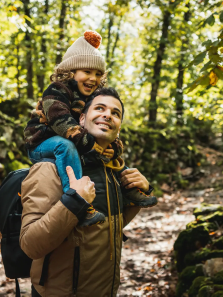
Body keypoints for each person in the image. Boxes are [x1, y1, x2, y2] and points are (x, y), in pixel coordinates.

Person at [20, 87, 156, 296]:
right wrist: (74, 201)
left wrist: (139, 194)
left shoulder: (111, 169)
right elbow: (31, 245)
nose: (107, 115)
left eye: (115, 113)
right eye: (99, 108)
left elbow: (106, 228)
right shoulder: (50, 169)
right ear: (81, 119)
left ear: (119, 127)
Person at [23, 30, 155, 227]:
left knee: (101, 151)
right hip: (43, 142)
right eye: (87, 72)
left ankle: (130, 188)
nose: (93, 78)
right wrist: (89, 143)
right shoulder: (58, 90)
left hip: (72, 140)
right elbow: (61, 120)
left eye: (98, 74)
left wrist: (113, 148)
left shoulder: (91, 99)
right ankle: (78, 201)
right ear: (71, 72)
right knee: (66, 146)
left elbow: (100, 129)